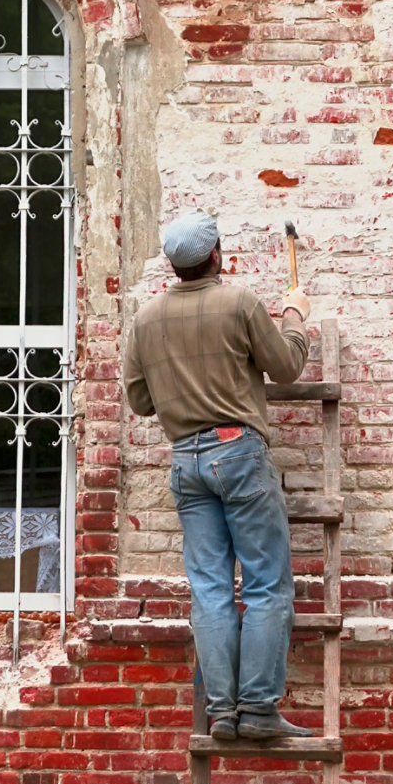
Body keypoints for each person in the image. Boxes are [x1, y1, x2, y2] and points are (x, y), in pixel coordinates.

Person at [122, 212, 315, 741]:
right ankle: (255, 709)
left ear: (173, 265)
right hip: (238, 453)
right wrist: (294, 316)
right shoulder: (240, 302)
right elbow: (287, 368)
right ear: (216, 256)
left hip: (185, 460)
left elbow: (140, 401)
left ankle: (221, 712)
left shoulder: (146, 319)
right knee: (266, 584)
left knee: (209, 590)